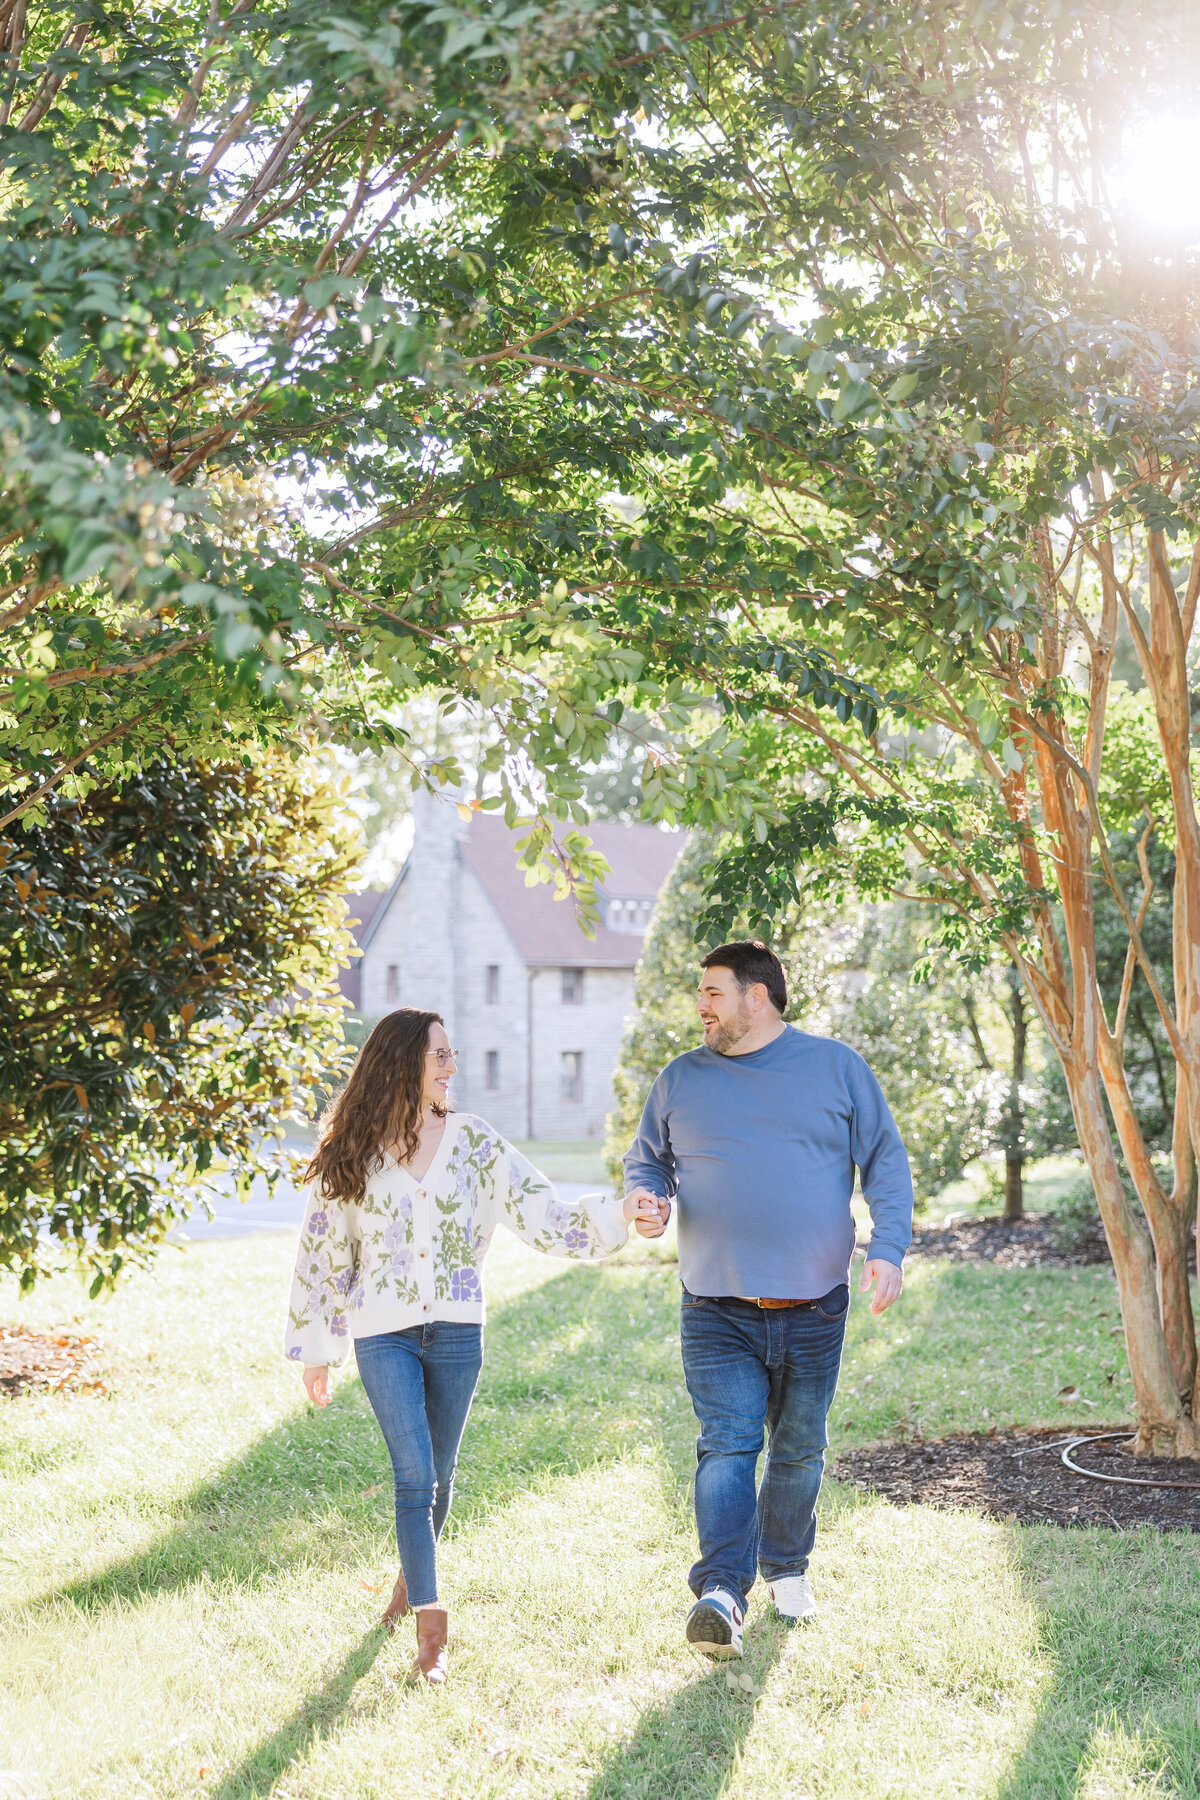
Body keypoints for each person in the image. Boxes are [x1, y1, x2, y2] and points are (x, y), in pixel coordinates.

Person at [285, 1007, 659, 1684]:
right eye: (440, 1055)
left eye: (451, 1055)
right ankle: (432, 1626)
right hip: (382, 1333)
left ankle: (408, 1581)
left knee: (442, 1478)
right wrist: (320, 1347)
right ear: (402, 1063)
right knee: (414, 1477)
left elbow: (545, 1213)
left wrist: (618, 1214)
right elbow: (323, 1250)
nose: (452, 1066)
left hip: (457, 1330)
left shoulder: (476, 1144)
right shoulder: (354, 1151)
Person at [624, 940, 912, 1659]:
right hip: (715, 1304)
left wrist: (888, 1249)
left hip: (815, 1304)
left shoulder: (835, 1068)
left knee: (799, 1448)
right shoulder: (680, 1078)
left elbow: (885, 1160)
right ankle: (721, 1591)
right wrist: (648, 1196)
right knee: (728, 1441)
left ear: (758, 997)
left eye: (713, 993)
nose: (701, 1005)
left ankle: (786, 1566)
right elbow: (648, 1158)